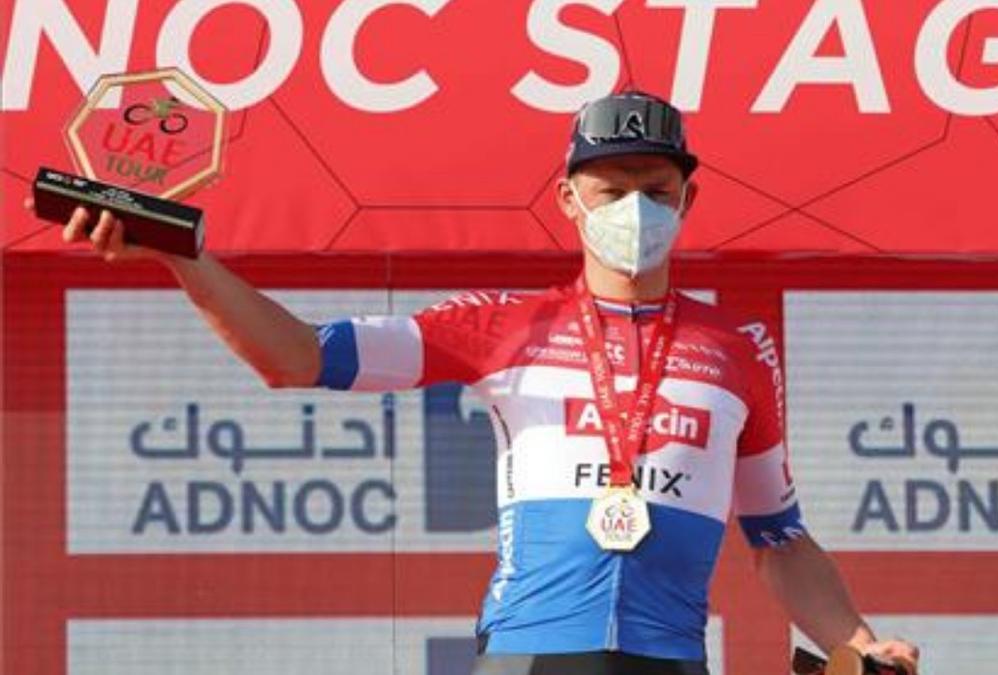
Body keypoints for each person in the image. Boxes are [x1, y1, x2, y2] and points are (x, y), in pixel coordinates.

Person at [31, 91, 920, 675]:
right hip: (529, 658)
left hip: (671, 658)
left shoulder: (735, 349)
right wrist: (185, 261)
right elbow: (296, 356)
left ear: (688, 196)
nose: (631, 211)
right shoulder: (504, 323)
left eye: (653, 188)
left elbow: (780, 538)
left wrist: (854, 641)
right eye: (608, 190)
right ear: (568, 199)